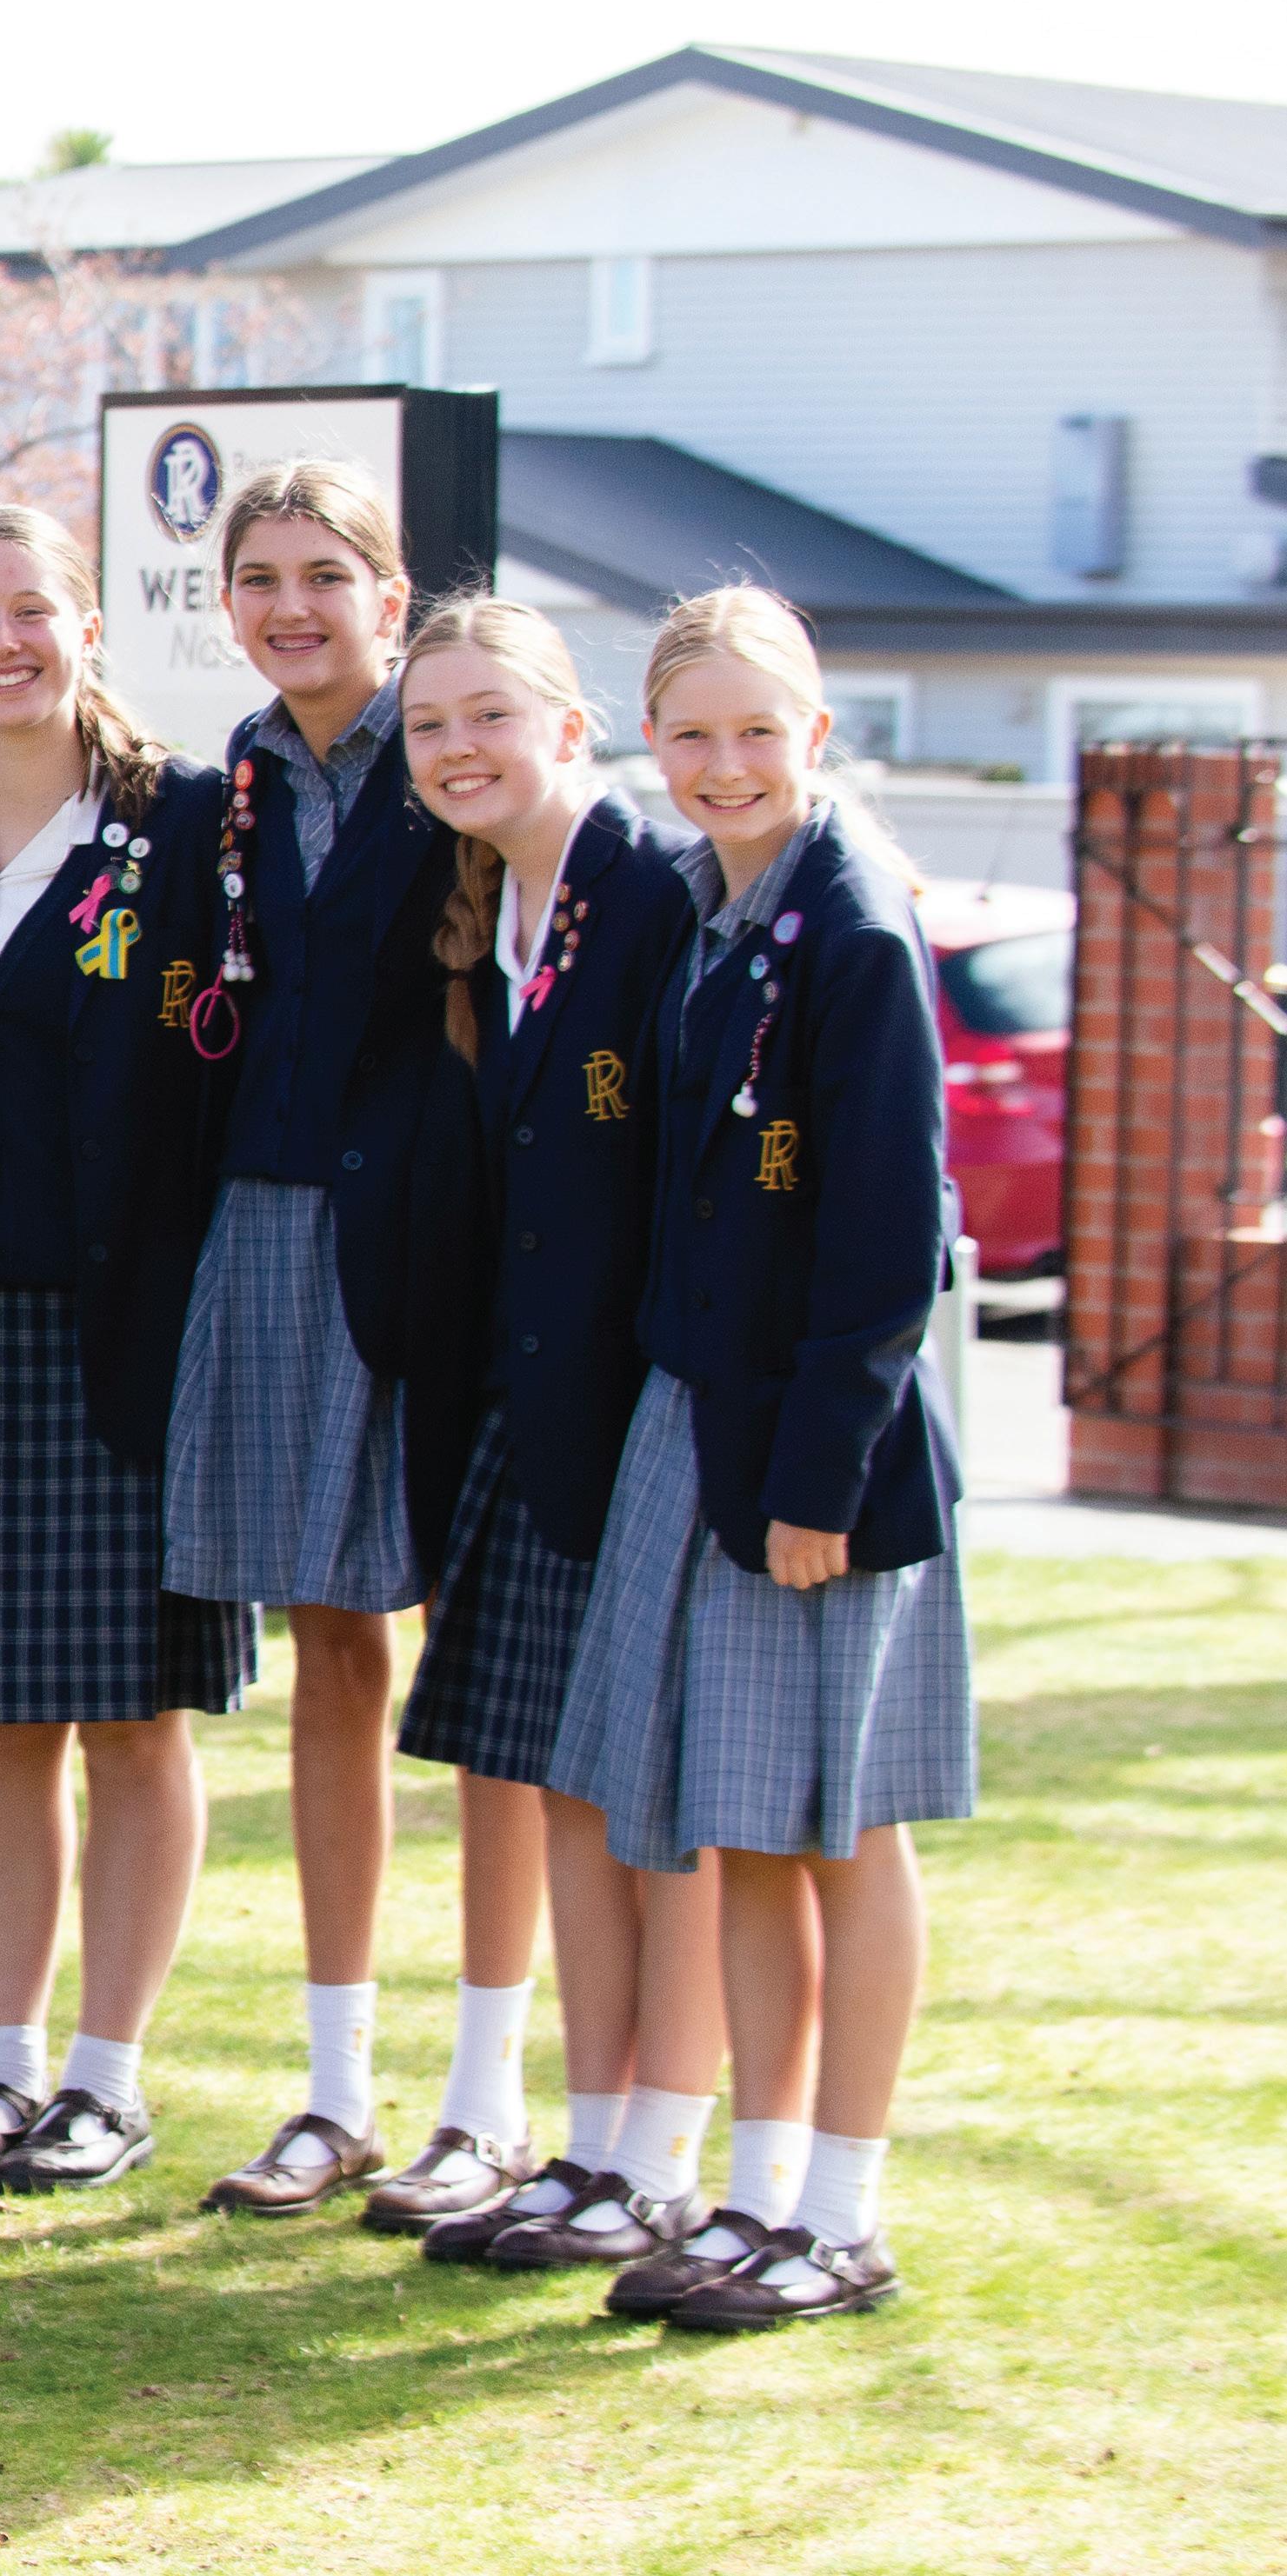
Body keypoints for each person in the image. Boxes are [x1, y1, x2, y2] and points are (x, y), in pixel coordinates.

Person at [541, 586, 971, 2329]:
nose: (723, 763)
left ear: (814, 730)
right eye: (691, 732)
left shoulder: (850, 923)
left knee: (837, 1831)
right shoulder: (716, 907)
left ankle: (840, 2214)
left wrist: (812, 1481)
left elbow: (886, 1240)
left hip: (816, 1454)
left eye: (755, 730)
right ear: (651, 738)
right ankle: (753, 2193)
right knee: (743, 1822)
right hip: (707, 1412)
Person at [0, 505, 244, 2195]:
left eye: (30, 609)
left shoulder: (186, 821)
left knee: (134, 1717)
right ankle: (3, 2065)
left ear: (85, 621)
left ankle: (106, 2076)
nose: (0, 642)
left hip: (127, 1322)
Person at [377, 594, 728, 2261]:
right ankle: (590, 2143)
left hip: (642, 1408)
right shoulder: (484, 906)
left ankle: (662, 2151)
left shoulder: (650, 891)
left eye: (487, 714)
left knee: (655, 1798)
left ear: (569, 725)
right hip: (522, 1408)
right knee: (556, 1782)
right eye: (428, 723)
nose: (457, 746)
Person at [150, 461, 460, 2220]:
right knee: (330, 1647)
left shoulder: (458, 755)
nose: (290, 605)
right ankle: (337, 2085)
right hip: (269, 1231)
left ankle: (488, 2092)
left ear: (387, 596)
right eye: (258, 577)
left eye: (324, 573)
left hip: (440, 1240)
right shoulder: (224, 794)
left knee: (477, 1663)